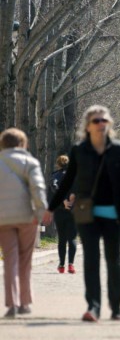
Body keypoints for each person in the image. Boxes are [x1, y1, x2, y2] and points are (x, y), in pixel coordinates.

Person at [47, 105, 120, 322]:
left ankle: (115, 307)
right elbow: (68, 181)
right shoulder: (79, 150)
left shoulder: (118, 149)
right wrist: (51, 207)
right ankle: (93, 306)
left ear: (109, 123)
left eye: (104, 120)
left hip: (113, 213)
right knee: (91, 260)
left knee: (113, 260)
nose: (101, 124)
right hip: (87, 213)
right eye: (96, 121)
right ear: (88, 126)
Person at [0, 128, 50, 318]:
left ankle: (11, 304)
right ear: (23, 143)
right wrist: (40, 211)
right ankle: (25, 302)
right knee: (25, 261)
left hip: (3, 219)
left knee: (10, 260)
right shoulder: (30, 162)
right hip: (27, 217)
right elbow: (38, 188)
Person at [49, 155, 78, 273]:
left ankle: (61, 265)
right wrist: (71, 199)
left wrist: (63, 200)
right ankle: (71, 264)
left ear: (58, 164)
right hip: (74, 210)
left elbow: (54, 186)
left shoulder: (55, 175)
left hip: (60, 210)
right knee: (72, 238)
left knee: (62, 239)